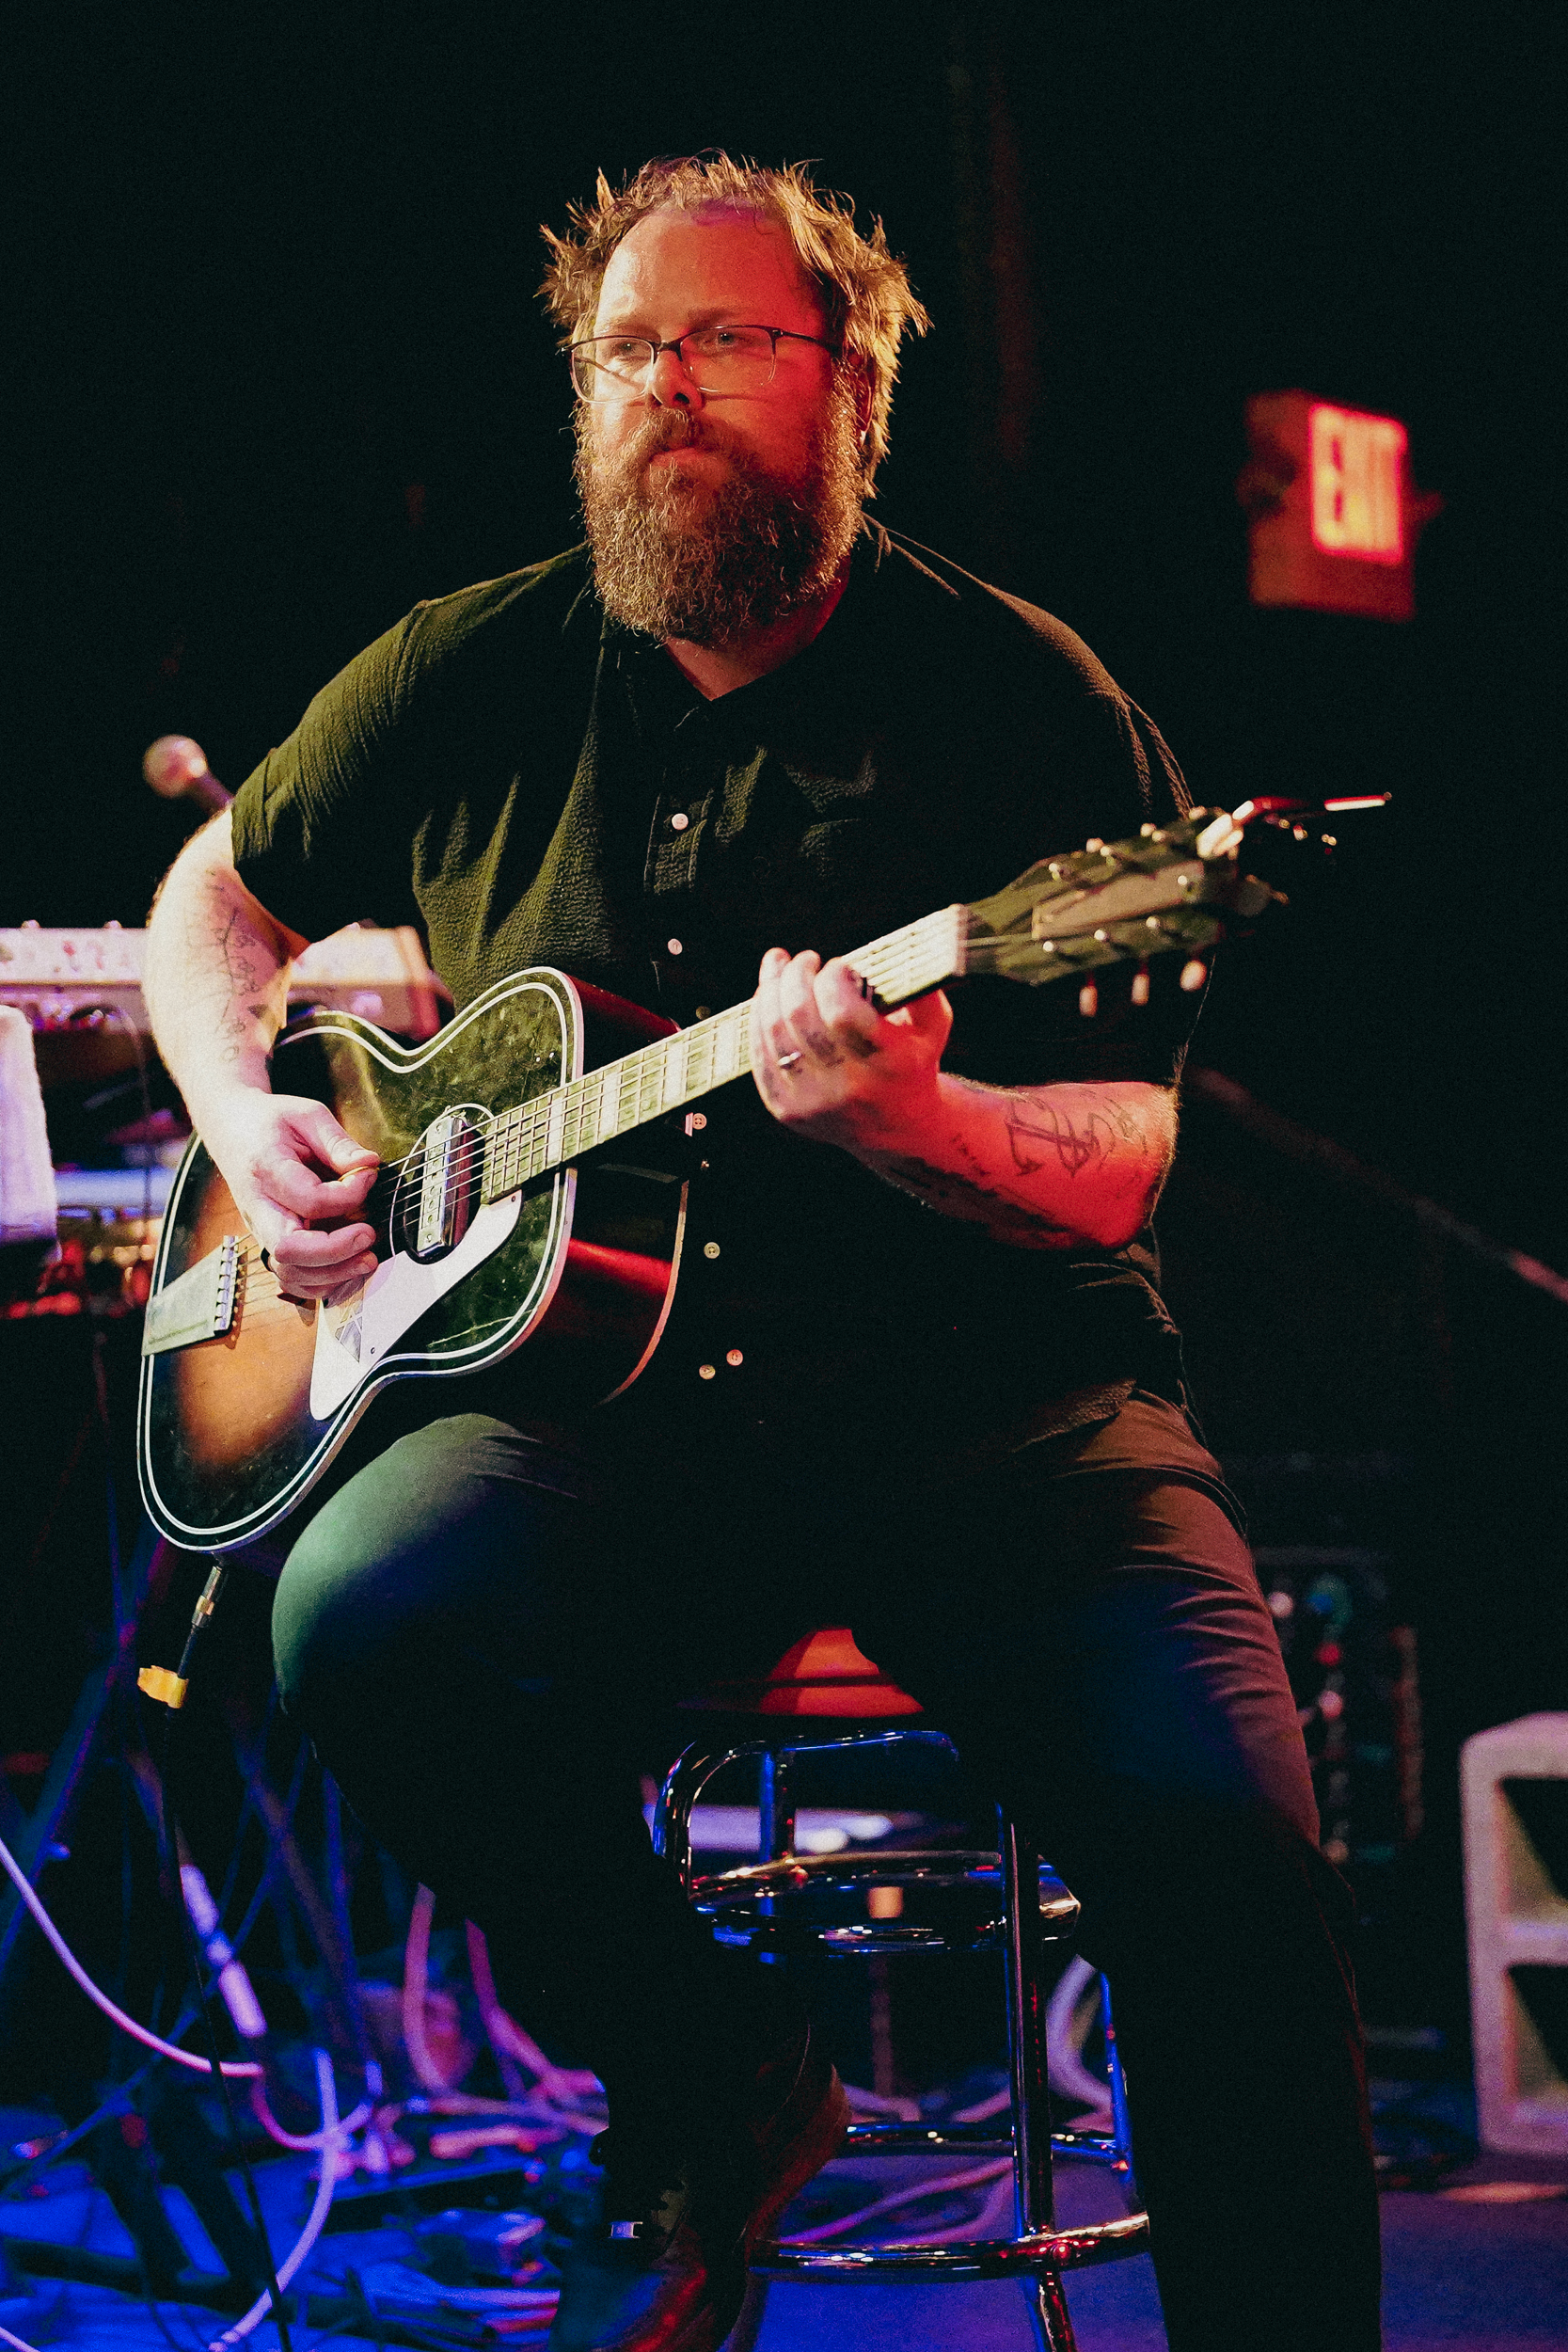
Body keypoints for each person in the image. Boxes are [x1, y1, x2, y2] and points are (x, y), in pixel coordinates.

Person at [143, 155, 1381, 2352]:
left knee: (1232, 1847)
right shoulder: (472, 664)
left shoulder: (1026, 701)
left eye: (726, 339)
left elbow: (1126, 1155)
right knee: (346, 1616)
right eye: (628, 348)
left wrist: (923, 1120)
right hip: (612, 1425)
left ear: (857, 391)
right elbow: (206, 902)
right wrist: (251, 1120)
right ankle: (714, 2067)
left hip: (998, 1415)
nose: (667, 386)